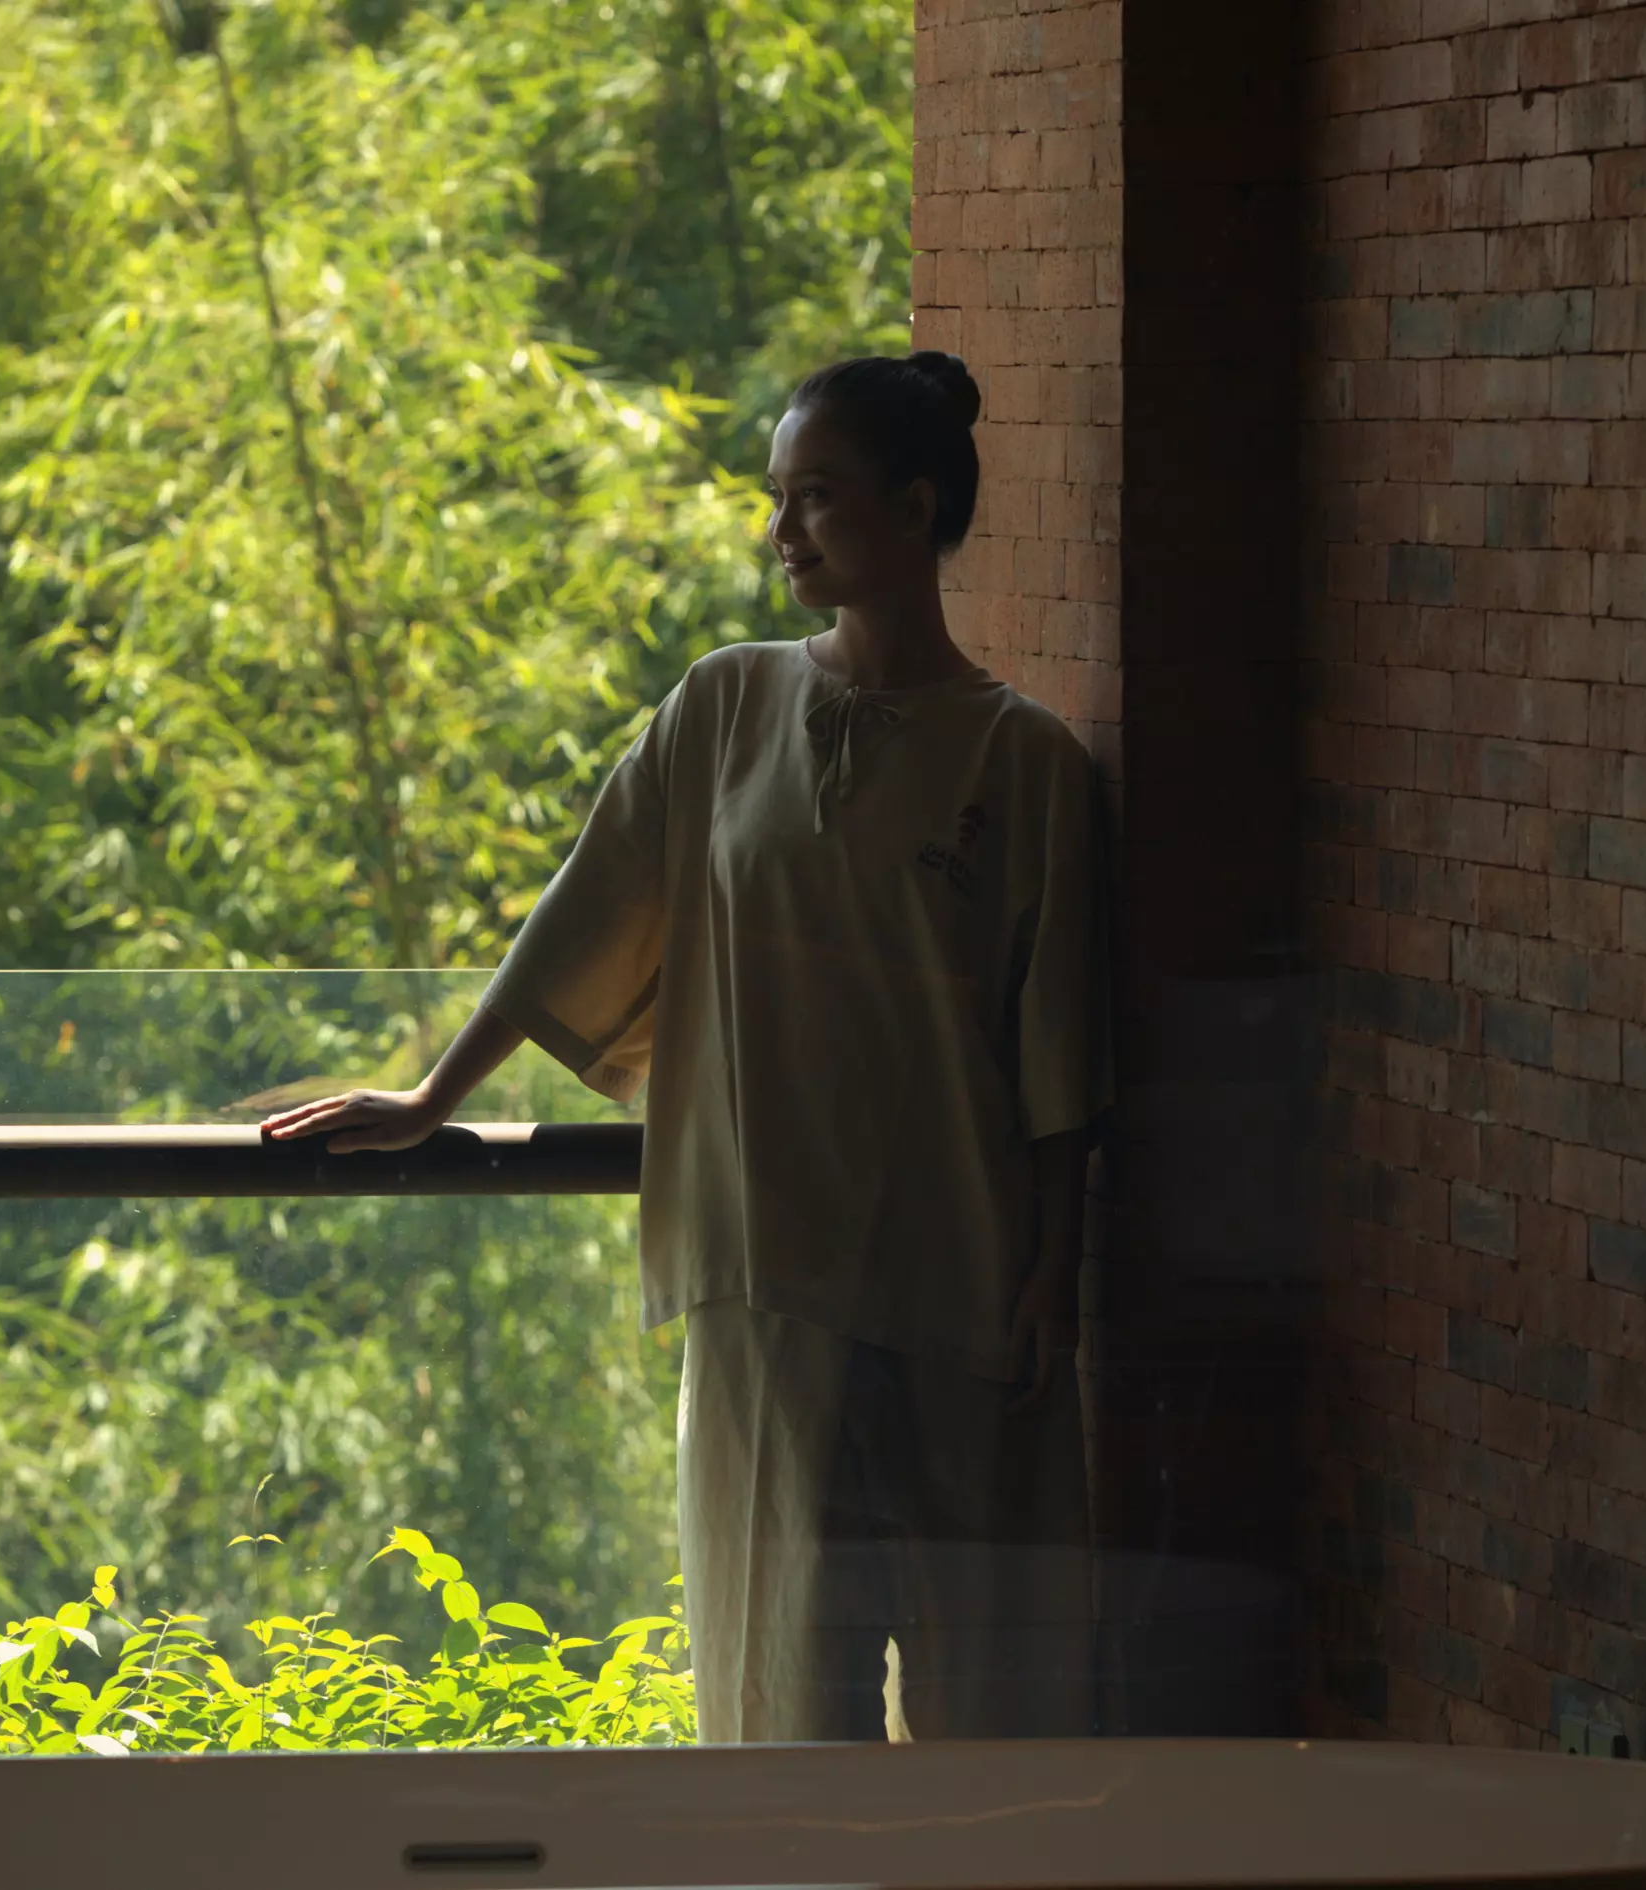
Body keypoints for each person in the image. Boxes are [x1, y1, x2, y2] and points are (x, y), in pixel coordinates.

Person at [262, 351, 1106, 1744]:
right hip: (764, 1278)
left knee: (995, 1703)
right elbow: (580, 921)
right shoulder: (724, 710)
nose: (782, 534)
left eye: (815, 500)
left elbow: (1059, 1049)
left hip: (965, 1278)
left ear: (912, 506)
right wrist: (431, 1100)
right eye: (776, 499)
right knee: (783, 1697)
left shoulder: (1024, 765)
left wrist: (1053, 1278)